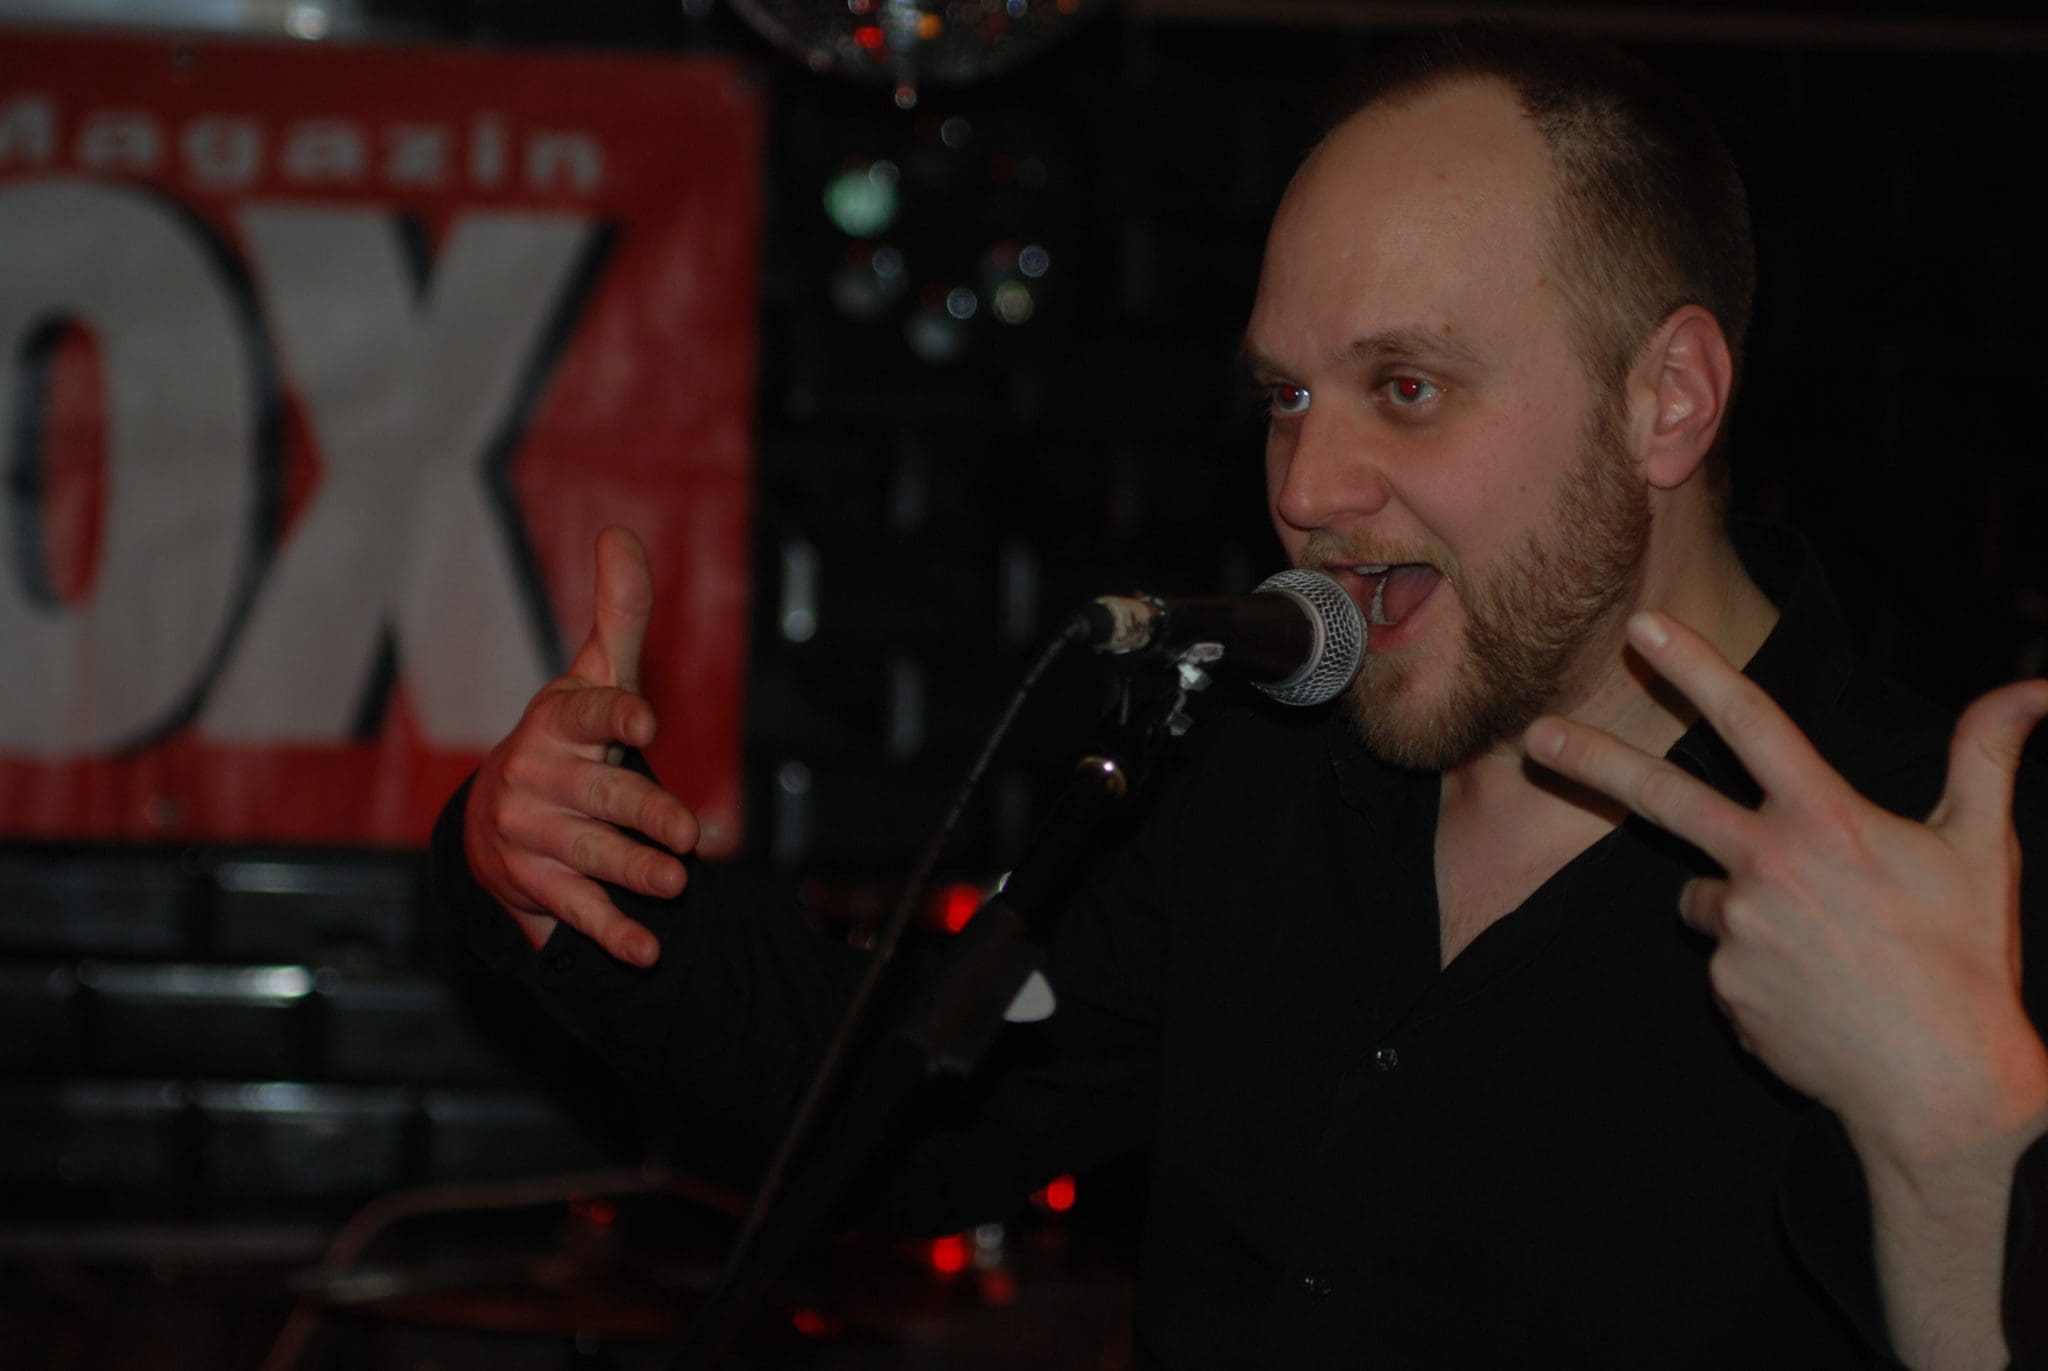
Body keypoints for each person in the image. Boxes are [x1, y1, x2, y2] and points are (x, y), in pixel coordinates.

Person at [433, 26, 2048, 1370]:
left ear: (1668, 398)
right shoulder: (1267, 787)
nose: (1308, 485)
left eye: (1406, 387)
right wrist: (564, 865)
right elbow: (903, 1110)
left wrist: (1965, 1147)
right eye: (1287, 396)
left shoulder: (1951, 874)